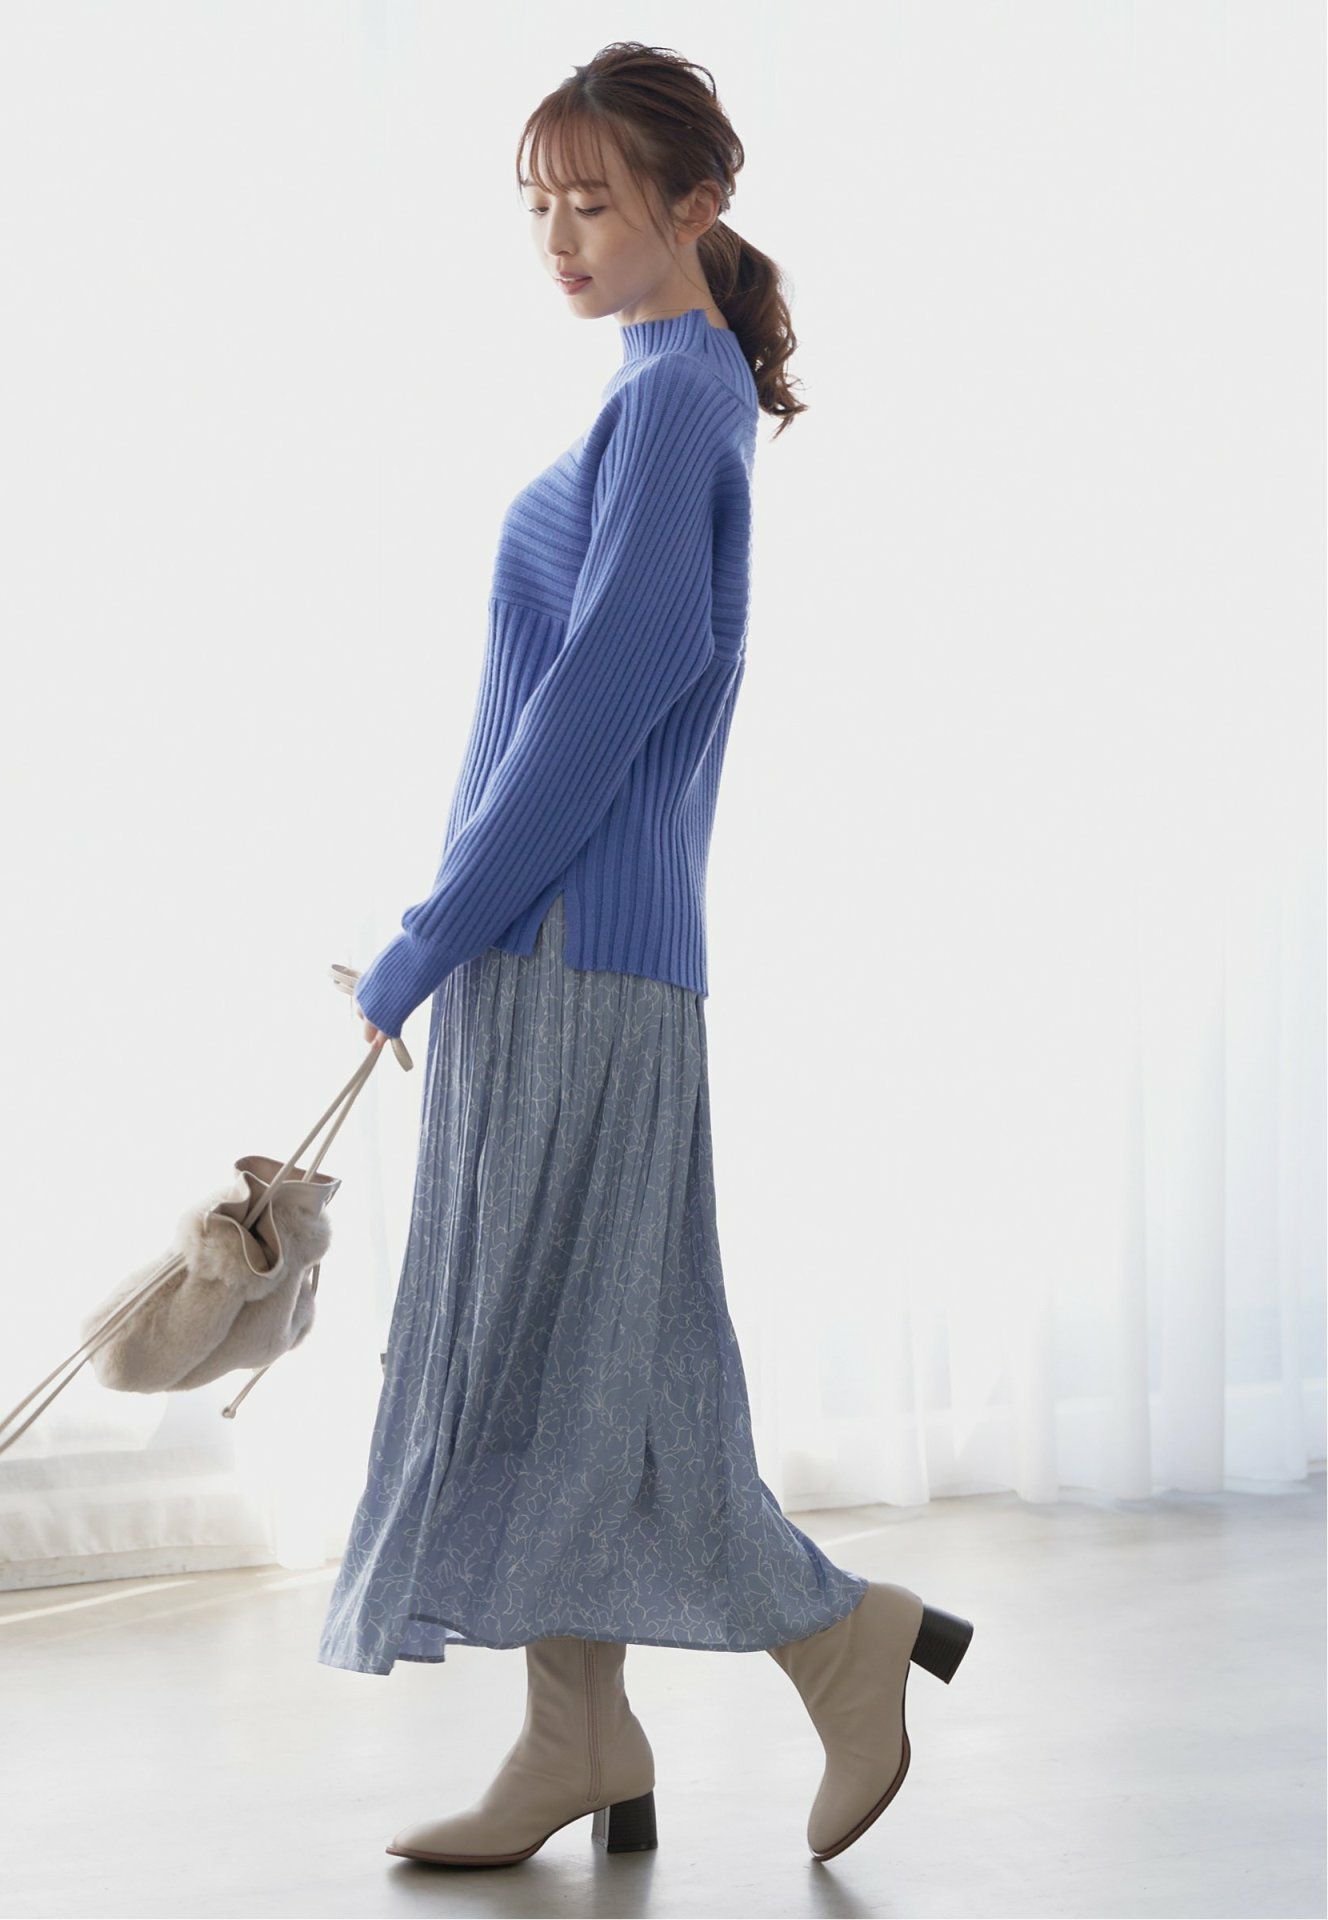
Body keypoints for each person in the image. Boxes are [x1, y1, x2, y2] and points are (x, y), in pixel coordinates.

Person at [317, 41, 974, 1868]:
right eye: (540, 205)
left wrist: (429, 935)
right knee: (567, 1356)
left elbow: (600, 707)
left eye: (594, 202)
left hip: (566, 955)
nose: (561, 238)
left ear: (697, 203)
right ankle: (579, 1735)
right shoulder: (656, 392)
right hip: (570, 954)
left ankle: (838, 1636)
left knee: (587, 1362)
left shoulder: (677, 402)